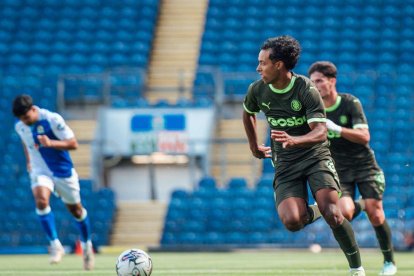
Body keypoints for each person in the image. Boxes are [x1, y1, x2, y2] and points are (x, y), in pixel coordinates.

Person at [242, 36, 365, 276]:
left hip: (314, 157)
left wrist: (295, 139)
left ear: (278, 65)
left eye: (262, 63)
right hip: (285, 163)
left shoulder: (306, 89)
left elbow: (320, 132)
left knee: (333, 213)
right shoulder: (257, 89)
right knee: (292, 222)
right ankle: (319, 208)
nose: (258, 68)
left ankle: (356, 268)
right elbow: (248, 113)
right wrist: (253, 146)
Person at [309, 61, 397, 276]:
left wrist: (336, 128)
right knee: (345, 212)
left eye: (319, 80)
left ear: (332, 81)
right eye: (312, 82)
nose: (315, 85)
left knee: (376, 214)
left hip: (364, 166)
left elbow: (364, 136)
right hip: (340, 170)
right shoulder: (313, 109)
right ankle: (363, 204)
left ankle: (389, 262)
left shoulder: (349, 102)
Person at [12, 94, 94, 270]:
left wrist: (51, 143)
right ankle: (55, 245)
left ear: (33, 109)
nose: (24, 122)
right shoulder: (20, 126)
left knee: (76, 211)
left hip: (62, 171)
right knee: (41, 201)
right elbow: (26, 143)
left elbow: (73, 144)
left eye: (26, 117)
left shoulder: (52, 119)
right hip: (40, 170)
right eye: (21, 119)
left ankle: (87, 246)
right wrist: (29, 161)